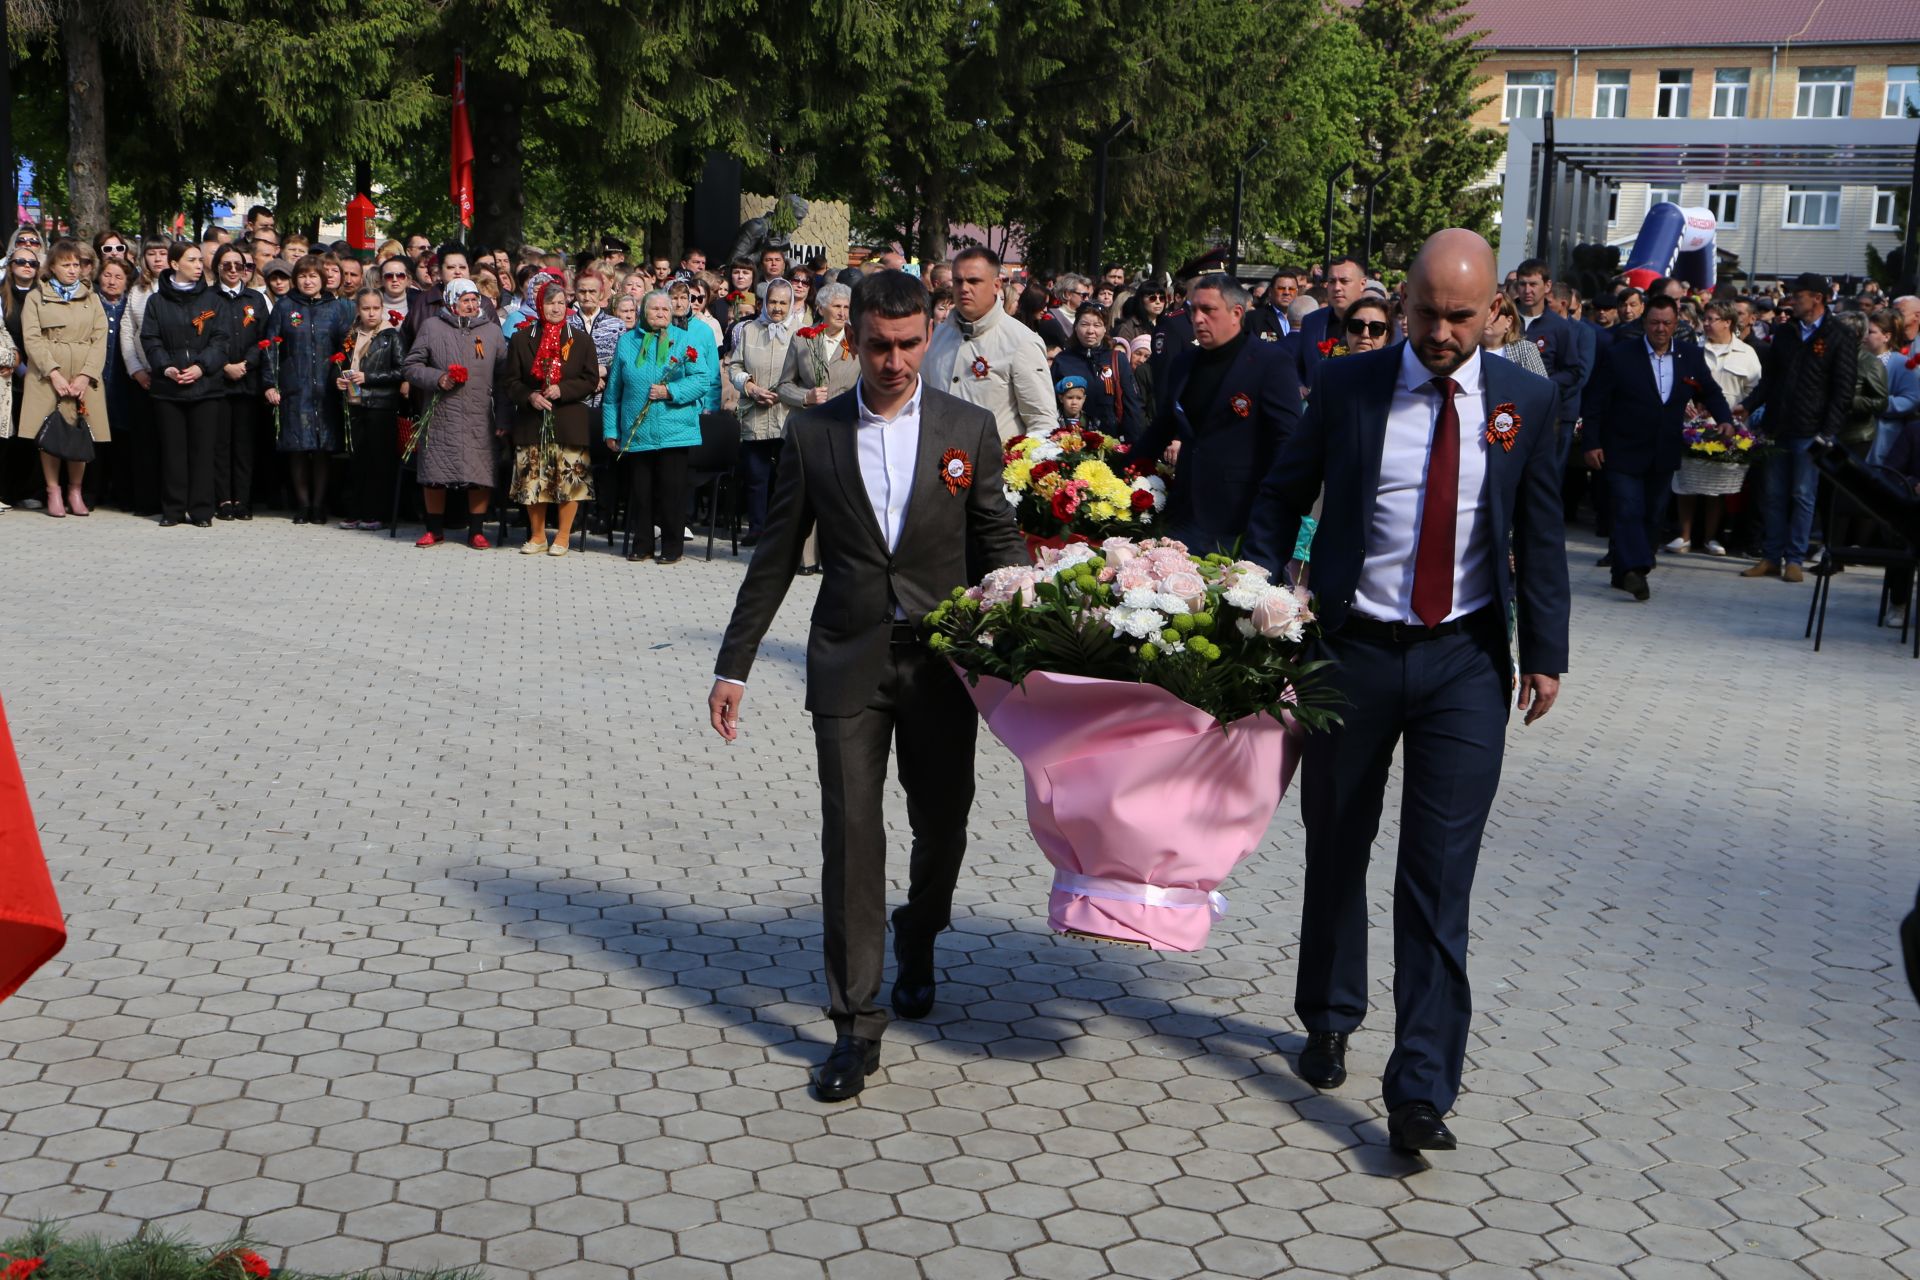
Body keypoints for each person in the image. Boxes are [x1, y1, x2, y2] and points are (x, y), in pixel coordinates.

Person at [1243, 229, 1568, 1155]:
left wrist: (1547, 652)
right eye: (1425, 312)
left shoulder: (1528, 401)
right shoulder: (1351, 386)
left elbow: (1540, 536)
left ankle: (1422, 1083)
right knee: (1338, 841)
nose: (1438, 331)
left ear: (1494, 311)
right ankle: (1331, 1011)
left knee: (1438, 875)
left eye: (1460, 317)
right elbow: (1280, 496)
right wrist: (1253, 596)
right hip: (1353, 652)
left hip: (1465, 661)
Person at [706, 270, 1026, 1103]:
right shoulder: (815, 435)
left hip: (941, 667)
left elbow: (998, 545)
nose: (893, 360)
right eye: (877, 345)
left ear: (928, 337)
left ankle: (920, 931)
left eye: (908, 344)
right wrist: (734, 663)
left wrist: (1030, 653)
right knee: (851, 836)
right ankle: (856, 1023)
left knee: (943, 821)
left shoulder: (968, 427)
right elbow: (775, 555)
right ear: (855, 343)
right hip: (847, 658)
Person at [1132, 272, 1301, 552]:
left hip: (1240, 517)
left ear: (1236, 313)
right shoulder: (1185, 363)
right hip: (1184, 511)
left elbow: (1286, 445)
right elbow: (1161, 427)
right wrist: (1118, 473)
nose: (1197, 319)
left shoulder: (1270, 363)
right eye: (1193, 310)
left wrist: (1272, 517)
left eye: (1208, 310)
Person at [1583, 295, 1734, 601]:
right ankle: (1635, 569)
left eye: (1666, 323)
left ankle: (1623, 571)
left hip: (1663, 450)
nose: (1660, 329)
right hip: (1622, 448)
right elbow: (1595, 402)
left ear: (1676, 324)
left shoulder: (1690, 355)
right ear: (1644, 323)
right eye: (1654, 323)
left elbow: (1711, 391)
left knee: (1653, 514)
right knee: (1628, 508)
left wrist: (1726, 420)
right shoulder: (1621, 355)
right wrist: (1591, 442)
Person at [1741, 272, 1856, 583]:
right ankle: (1771, 556)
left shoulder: (1839, 336)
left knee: (1803, 495)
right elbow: (1771, 379)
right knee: (1773, 495)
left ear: (1816, 298)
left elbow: (1842, 391)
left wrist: (1828, 433)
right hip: (1778, 426)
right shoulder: (1786, 333)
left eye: (1798, 295)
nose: (1791, 300)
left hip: (1811, 430)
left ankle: (1794, 558)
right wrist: (1749, 405)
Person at [603, 290, 706, 564]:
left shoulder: (684, 340)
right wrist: (611, 430)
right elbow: (613, 392)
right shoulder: (626, 342)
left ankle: (672, 547)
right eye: (654, 309)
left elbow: (700, 381)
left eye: (665, 309)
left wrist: (670, 391)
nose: (661, 313)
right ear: (643, 312)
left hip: (675, 430)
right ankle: (642, 544)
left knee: (672, 492)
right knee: (640, 492)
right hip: (637, 431)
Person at [403, 277, 507, 549]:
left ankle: (476, 530)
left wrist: (504, 416)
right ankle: (434, 529)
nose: (471, 305)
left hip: (480, 413)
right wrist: (438, 378)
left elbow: (503, 377)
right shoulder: (432, 327)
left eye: (475, 300)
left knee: (479, 473)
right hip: (441, 413)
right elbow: (412, 366)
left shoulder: (492, 331)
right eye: (465, 301)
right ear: (451, 302)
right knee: (435, 473)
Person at [924, 246, 1059, 442]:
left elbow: (1042, 421)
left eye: (974, 281)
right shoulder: (940, 334)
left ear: (996, 285)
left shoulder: (1022, 341)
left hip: (994, 467)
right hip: (938, 462)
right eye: (958, 281)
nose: (964, 288)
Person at [140, 240, 229, 528]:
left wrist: (201, 367)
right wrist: (165, 367)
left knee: (203, 451)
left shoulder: (213, 300)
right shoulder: (157, 301)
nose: (198, 266)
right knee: (173, 451)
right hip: (169, 388)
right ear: (174, 264)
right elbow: (150, 339)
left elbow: (221, 339)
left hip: (205, 387)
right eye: (191, 260)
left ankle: (202, 510)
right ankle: (174, 509)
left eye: (200, 261)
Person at [506, 280, 599, 555]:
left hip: (569, 418)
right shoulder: (522, 338)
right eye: (550, 303)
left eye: (561, 303)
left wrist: (563, 389)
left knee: (567, 481)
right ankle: (537, 535)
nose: (556, 308)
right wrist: (530, 396)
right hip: (532, 419)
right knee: (534, 480)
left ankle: (563, 535)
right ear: (539, 305)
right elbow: (510, 381)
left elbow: (590, 378)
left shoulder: (580, 339)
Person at [19, 240, 110, 517]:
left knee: (79, 432)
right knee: (50, 432)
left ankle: (75, 490)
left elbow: (100, 337)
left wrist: (86, 375)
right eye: (66, 265)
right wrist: (54, 373)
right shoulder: (37, 297)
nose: (73, 270)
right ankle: (52, 490)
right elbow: (32, 339)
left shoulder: (91, 297)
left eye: (76, 265)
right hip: (49, 374)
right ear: (53, 267)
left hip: (83, 372)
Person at [1667, 301, 1765, 556]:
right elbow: (1677, 381)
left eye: (1712, 319)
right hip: (1692, 425)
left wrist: (1739, 409)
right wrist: (1686, 404)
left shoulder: (1747, 353)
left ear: (1727, 322)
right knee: (1685, 481)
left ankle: (1712, 537)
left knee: (1717, 487)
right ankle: (1684, 535)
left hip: (1727, 427)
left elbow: (1754, 391)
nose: (1706, 323)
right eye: (1705, 319)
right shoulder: (1693, 350)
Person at [263, 255, 352, 525]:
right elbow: (270, 347)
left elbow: (346, 346)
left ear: (323, 280)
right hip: (295, 386)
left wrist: (344, 377)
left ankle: (319, 505)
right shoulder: (284, 306)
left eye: (313, 276)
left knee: (323, 448)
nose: (308, 281)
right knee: (298, 448)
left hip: (326, 387)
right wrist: (270, 383)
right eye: (302, 276)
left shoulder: (336, 308)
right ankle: (302, 505)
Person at [727, 278, 799, 541]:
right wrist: (750, 387)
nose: (777, 307)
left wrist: (783, 394)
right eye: (773, 301)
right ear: (764, 303)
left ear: (791, 304)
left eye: (783, 302)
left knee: (785, 479)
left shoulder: (801, 332)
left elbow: (807, 376)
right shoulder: (749, 330)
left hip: (787, 415)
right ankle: (757, 527)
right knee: (756, 477)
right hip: (754, 412)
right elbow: (734, 366)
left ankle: (782, 533)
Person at [334, 288, 406, 530]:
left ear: (382, 309)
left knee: (379, 462)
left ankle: (376, 513)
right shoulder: (351, 335)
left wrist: (370, 377)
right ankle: (355, 510)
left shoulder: (390, 336)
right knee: (357, 461)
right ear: (358, 310)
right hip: (355, 404)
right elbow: (341, 363)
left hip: (381, 406)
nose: (371, 313)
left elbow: (401, 371)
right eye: (366, 308)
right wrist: (339, 379)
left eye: (376, 308)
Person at [1509, 259, 1589, 459]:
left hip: (1542, 412)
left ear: (1547, 286)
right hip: (1503, 410)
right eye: (1522, 284)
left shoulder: (1559, 327)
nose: (1527, 290)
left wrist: (1543, 383)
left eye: (1533, 284)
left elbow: (1572, 372)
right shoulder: (1504, 319)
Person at [208, 244, 265, 520]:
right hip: (218, 382)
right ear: (217, 267)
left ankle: (242, 499)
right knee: (220, 444)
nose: (233, 270)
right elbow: (202, 338)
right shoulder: (207, 298)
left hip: (247, 382)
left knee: (244, 445)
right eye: (227, 265)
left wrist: (245, 364)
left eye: (238, 265)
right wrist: (224, 366)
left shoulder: (254, 299)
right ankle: (223, 500)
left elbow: (263, 338)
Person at [1048, 303, 1143, 440]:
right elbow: (1051, 404)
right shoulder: (1063, 361)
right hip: (1070, 443)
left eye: (1097, 325)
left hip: (1109, 441)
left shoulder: (1117, 360)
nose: (1090, 331)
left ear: (1105, 329)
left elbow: (1133, 406)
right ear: (1075, 327)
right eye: (1085, 324)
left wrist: (1134, 446)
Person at [1294, 255, 1367, 394]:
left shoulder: (1379, 323)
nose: (1337, 288)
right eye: (1332, 281)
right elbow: (1298, 366)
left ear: (1362, 284)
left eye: (1344, 281)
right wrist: (1299, 386)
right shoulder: (1311, 322)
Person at [1868, 311, 1920, 468]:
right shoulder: (1858, 358)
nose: (1865, 336)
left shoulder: (1901, 363)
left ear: (1886, 337)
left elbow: (1912, 398)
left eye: (1871, 332)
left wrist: (1879, 404)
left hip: (1882, 436)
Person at [1479, 294, 1548, 377]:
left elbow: (1541, 386)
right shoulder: (1470, 349)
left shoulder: (1525, 350)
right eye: (1484, 314)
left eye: (1495, 315)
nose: (1488, 319)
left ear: (1508, 321)